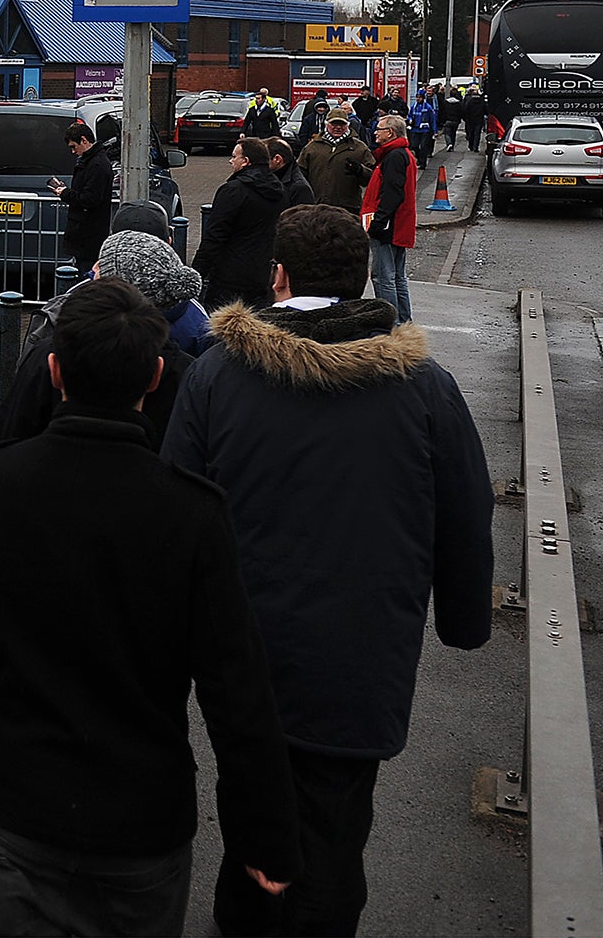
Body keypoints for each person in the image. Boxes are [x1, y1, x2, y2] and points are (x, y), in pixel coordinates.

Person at [0, 279, 302, 938]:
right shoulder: (192, 512)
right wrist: (265, 833)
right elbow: (236, 690)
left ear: (53, 370)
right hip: (141, 821)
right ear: (156, 376)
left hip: (17, 802)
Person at [163, 205, 493, 936]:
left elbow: (173, 512)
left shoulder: (218, 375)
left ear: (277, 276)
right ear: (363, 277)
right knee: (335, 833)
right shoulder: (426, 389)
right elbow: (465, 513)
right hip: (364, 654)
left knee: (252, 807)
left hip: (244, 654)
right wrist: (464, 621)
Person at [0, 230, 205, 449]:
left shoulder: (54, 352)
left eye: (101, 267)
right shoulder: (189, 372)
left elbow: (9, 430)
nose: (93, 269)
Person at [193, 137, 283, 310]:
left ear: (246, 162)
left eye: (234, 157)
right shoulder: (279, 190)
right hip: (262, 276)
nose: (230, 161)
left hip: (229, 278)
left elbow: (214, 237)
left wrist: (197, 274)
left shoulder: (233, 191)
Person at [362, 113, 419, 325]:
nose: (375, 132)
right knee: (397, 276)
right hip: (398, 224)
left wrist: (378, 222)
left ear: (390, 133)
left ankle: (391, 323)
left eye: (379, 129)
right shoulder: (402, 154)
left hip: (388, 225)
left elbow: (392, 193)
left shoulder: (394, 156)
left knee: (383, 276)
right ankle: (403, 321)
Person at [48, 122, 113, 274]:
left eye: (73, 146)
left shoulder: (96, 164)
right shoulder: (93, 161)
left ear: (84, 140)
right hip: (86, 233)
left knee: (85, 274)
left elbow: (90, 199)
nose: (73, 151)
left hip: (88, 234)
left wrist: (64, 193)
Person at [297, 108, 376, 216]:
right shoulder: (312, 146)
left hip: (348, 209)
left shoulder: (359, 148)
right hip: (317, 207)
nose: (338, 127)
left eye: (342, 124)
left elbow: (373, 178)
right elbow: (299, 174)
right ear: (326, 124)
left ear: (348, 125)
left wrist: (360, 171)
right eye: (334, 124)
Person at [269, 136, 315, 209]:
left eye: (265, 158)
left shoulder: (299, 188)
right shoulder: (273, 178)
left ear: (277, 159)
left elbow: (304, 218)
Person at [408, 89, 436, 165]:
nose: (418, 99)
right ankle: (419, 158)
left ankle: (423, 163)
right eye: (417, 97)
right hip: (415, 129)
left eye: (420, 97)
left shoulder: (428, 107)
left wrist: (434, 130)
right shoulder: (414, 106)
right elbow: (410, 115)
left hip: (424, 130)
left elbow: (432, 119)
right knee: (414, 146)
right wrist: (410, 120)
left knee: (423, 147)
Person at [463, 81, 486, 152]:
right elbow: (485, 109)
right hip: (479, 119)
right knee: (477, 133)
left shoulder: (469, 101)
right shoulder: (482, 101)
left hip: (470, 119)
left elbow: (465, 109)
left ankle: (471, 146)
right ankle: (476, 147)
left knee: (471, 133)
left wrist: (465, 118)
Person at [437, 87, 462, 152]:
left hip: (448, 120)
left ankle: (449, 143)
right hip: (455, 120)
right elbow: (461, 112)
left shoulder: (446, 102)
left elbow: (443, 112)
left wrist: (442, 120)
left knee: (447, 133)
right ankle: (452, 145)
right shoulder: (458, 103)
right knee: (453, 133)